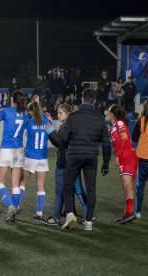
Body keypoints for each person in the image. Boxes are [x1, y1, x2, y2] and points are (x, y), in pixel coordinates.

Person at [46, 89, 111, 231]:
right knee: (91, 188)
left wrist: (52, 134)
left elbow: (63, 139)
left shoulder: (73, 117)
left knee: (67, 185)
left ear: (82, 98)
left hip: (75, 155)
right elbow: (106, 143)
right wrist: (106, 163)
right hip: (91, 157)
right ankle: (88, 222)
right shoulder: (100, 118)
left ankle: (69, 213)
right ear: (94, 100)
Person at [42, 103, 87, 226]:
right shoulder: (70, 124)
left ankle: (57, 218)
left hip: (64, 162)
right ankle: (71, 215)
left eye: (60, 113)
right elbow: (59, 142)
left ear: (67, 114)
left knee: (62, 190)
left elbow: (61, 143)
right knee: (72, 189)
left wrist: (50, 130)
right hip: (72, 160)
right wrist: (50, 130)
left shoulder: (67, 125)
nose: (58, 115)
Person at [0, 90, 27, 222]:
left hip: (7, 149)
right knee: (15, 184)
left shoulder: (7, 111)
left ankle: (11, 206)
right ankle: (15, 210)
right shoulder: (25, 113)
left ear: (13, 99)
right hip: (19, 150)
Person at [17, 96, 52, 220]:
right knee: (40, 185)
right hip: (43, 157)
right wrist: (38, 104)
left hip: (31, 156)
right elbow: (46, 121)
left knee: (22, 183)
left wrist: (34, 105)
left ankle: (15, 206)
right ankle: (39, 212)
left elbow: (26, 116)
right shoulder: (48, 122)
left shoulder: (29, 122)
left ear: (31, 111)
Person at [108, 104, 138, 224]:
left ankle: (130, 213)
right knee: (125, 186)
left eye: (109, 111)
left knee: (127, 185)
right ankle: (127, 213)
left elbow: (124, 140)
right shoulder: (114, 126)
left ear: (112, 114)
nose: (107, 113)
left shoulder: (119, 124)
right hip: (125, 156)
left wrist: (118, 155)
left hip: (127, 156)